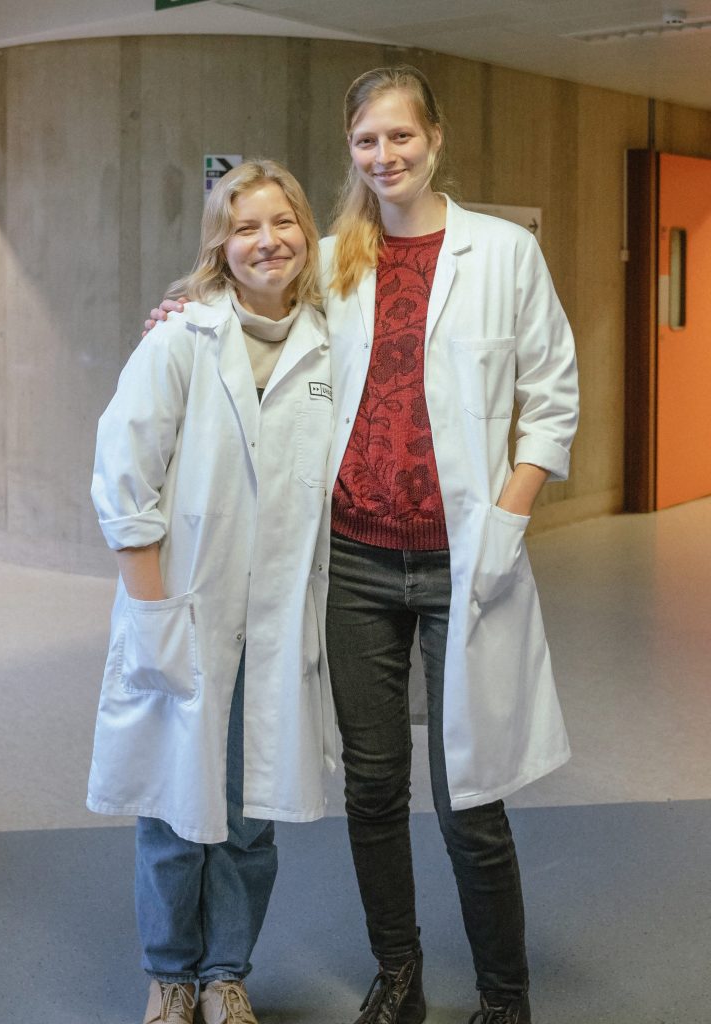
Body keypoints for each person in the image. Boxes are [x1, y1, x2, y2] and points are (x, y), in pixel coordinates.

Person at [148, 65, 578, 1024]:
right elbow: (252, 311)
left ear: (435, 138)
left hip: (466, 559)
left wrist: (507, 518)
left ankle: (505, 997)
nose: (385, 156)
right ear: (350, 150)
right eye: (366, 141)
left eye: (401, 136)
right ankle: (400, 975)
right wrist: (183, 311)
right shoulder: (336, 257)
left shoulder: (504, 253)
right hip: (354, 562)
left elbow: (552, 401)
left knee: (472, 793)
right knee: (374, 791)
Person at [89, 159, 336, 1024]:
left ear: (307, 232)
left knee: (249, 813)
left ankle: (226, 974)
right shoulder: (180, 338)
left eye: (282, 222)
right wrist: (154, 613)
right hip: (187, 610)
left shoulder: (333, 343)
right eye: (245, 227)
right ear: (219, 246)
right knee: (172, 808)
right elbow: (124, 479)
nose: (267, 241)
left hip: (277, 622)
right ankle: (170, 977)